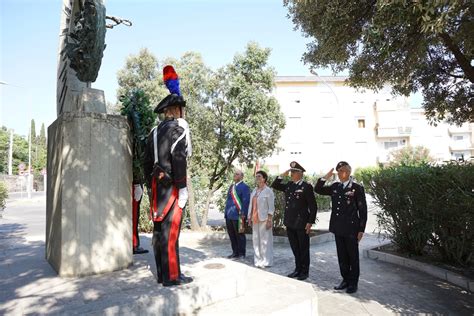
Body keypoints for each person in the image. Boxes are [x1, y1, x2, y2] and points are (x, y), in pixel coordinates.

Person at [143, 65, 193, 287]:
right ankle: (172, 276)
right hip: (172, 187)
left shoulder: (153, 133)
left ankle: (163, 274)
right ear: (176, 110)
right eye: (180, 109)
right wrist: (182, 187)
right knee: (171, 233)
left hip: (156, 188)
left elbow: (145, 164)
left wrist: (149, 184)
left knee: (158, 234)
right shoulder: (178, 129)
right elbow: (179, 157)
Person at [314, 161, 367, 294]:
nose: (340, 173)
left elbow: (363, 210)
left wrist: (361, 229)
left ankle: (353, 283)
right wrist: (325, 177)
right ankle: (345, 279)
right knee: (342, 256)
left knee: (352, 257)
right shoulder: (335, 186)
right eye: (338, 171)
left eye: (342, 170)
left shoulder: (357, 188)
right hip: (338, 227)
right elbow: (318, 189)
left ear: (348, 172)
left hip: (351, 229)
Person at [271, 161, 317, 281]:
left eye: (293, 172)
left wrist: (310, 222)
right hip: (290, 222)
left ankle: (304, 271)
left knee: (303, 248)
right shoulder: (289, 185)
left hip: (301, 223)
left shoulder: (306, 187)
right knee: (295, 248)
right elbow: (275, 185)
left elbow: (313, 206)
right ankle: (297, 269)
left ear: (300, 173)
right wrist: (282, 175)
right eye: (291, 172)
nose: (291, 174)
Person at [248, 170, 275, 268]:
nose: (257, 178)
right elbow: (251, 205)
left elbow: (271, 207)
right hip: (255, 218)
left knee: (265, 241)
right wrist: (249, 217)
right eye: (256, 176)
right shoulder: (254, 190)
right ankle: (257, 260)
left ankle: (266, 261)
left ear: (264, 179)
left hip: (264, 219)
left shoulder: (268, 191)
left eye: (259, 176)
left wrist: (269, 220)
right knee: (256, 240)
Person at [224, 169, 250, 260]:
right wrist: (226, 213)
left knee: (240, 235)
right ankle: (235, 252)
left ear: (242, 176)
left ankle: (241, 253)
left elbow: (246, 202)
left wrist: (243, 214)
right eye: (234, 174)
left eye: (237, 174)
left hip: (239, 216)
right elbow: (228, 201)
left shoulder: (245, 187)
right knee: (232, 235)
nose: (235, 175)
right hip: (229, 215)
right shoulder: (232, 186)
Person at [132, 183, 148, 254]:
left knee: (136, 215)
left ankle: (135, 244)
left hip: (136, 186)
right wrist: (137, 184)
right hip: (135, 186)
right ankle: (134, 244)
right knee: (134, 215)